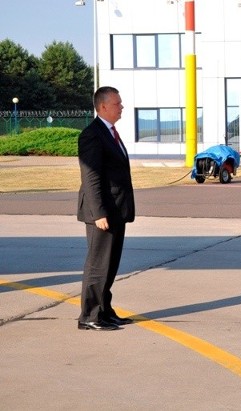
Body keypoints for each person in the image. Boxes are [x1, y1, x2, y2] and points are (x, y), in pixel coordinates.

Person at [77, 86, 135, 331]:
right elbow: (91, 176)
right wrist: (99, 212)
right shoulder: (92, 134)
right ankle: (89, 316)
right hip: (102, 212)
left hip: (116, 210)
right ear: (102, 107)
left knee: (110, 265)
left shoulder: (110, 132)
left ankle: (104, 311)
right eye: (117, 103)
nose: (121, 107)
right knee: (98, 265)